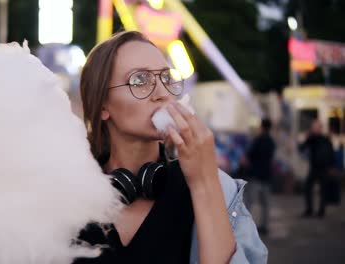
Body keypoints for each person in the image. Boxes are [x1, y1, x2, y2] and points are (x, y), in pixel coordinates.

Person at [74, 31, 267, 264]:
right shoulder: (67, 199)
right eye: (140, 80)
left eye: (166, 78)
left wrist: (205, 182)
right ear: (102, 104)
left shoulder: (215, 186)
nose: (163, 94)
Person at [245, 119, 276, 235]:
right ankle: (264, 226)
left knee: (249, 202)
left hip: (256, 175)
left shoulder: (257, 140)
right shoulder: (271, 142)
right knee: (266, 204)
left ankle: (245, 226)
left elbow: (249, 155)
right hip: (266, 176)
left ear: (262, 127)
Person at [299, 119, 335, 218]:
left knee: (323, 190)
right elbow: (301, 148)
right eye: (313, 127)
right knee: (308, 188)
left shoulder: (326, 139)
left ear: (320, 128)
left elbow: (331, 153)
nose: (314, 128)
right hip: (314, 168)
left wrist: (332, 166)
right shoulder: (311, 139)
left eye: (316, 127)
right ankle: (309, 209)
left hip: (324, 168)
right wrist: (306, 138)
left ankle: (321, 211)